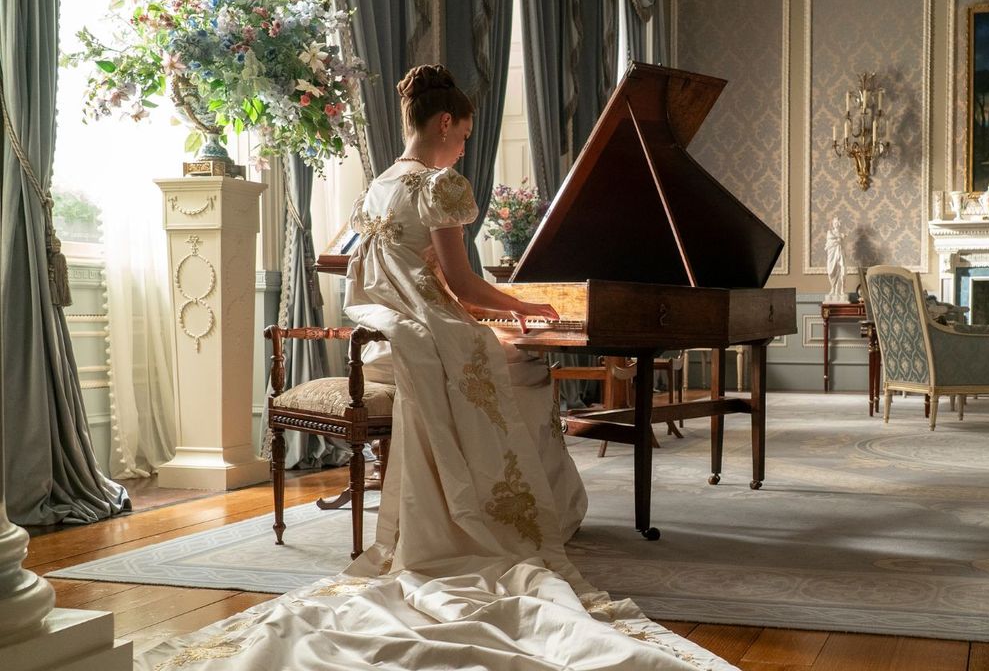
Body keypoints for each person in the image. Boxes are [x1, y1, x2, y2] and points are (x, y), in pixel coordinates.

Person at [138, 64, 729, 670]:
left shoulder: (378, 185)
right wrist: (521, 306)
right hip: (429, 329)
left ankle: (488, 503)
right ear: (445, 123)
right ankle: (528, 510)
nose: (464, 146)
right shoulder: (440, 184)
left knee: (505, 359)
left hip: (387, 335)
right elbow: (462, 284)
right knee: (526, 371)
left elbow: (389, 277)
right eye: (466, 135)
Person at [825, 217, 847, 302]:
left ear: (839, 224)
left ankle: (841, 291)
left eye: (837, 223)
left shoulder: (841, 234)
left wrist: (840, 238)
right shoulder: (830, 232)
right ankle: (833, 288)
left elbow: (842, 244)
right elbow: (830, 238)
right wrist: (840, 237)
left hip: (840, 252)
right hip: (832, 254)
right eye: (835, 223)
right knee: (831, 272)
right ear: (833, 224)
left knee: (842, 271)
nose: (836, 224)